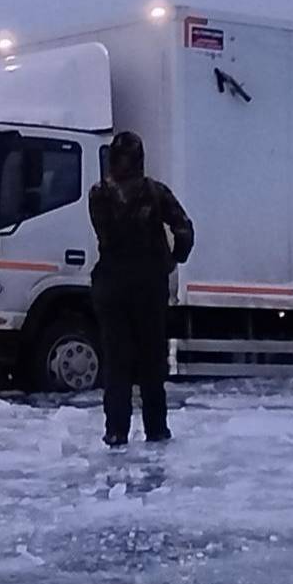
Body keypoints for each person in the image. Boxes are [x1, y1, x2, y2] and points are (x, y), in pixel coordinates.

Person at [89, 131, 194, 446]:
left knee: (117, 364)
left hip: (112, 285)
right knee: (151, 363)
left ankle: (116, 431)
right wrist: (175, 259)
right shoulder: (156, 192)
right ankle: (156, 429)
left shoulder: (98, 195)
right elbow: (185, 229)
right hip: (149, 286)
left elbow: (104, 234)